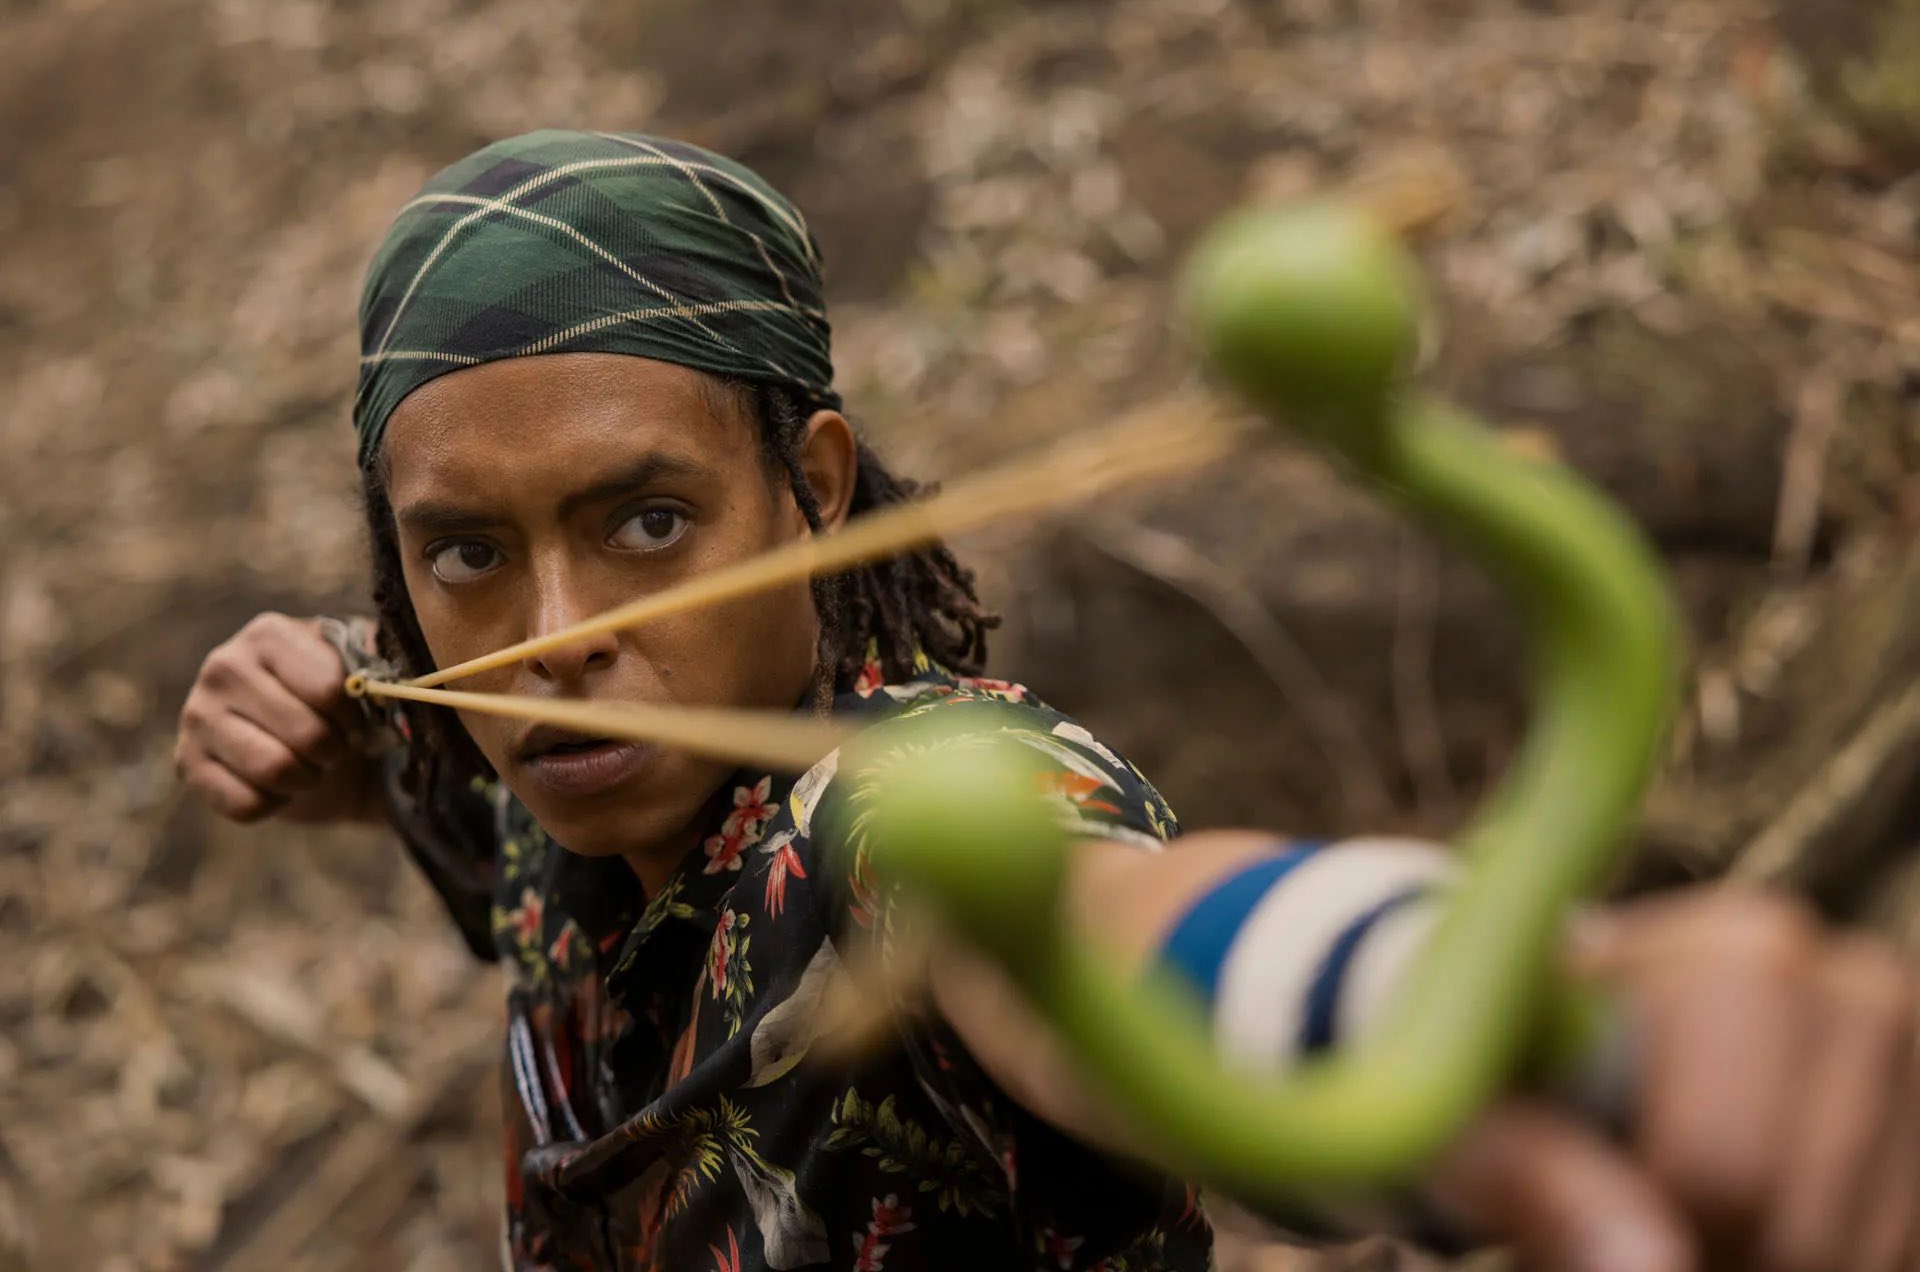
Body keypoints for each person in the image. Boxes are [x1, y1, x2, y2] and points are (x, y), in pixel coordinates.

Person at [175, 130, 1919, 1272]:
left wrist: (1525, 1024)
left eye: (647, 524)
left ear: (815, 490)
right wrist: (333, 733)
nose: (553, 636)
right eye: (468, 552)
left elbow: (1089, 925)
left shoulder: (908, 818)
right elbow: (433, 761)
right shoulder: (535, 763)